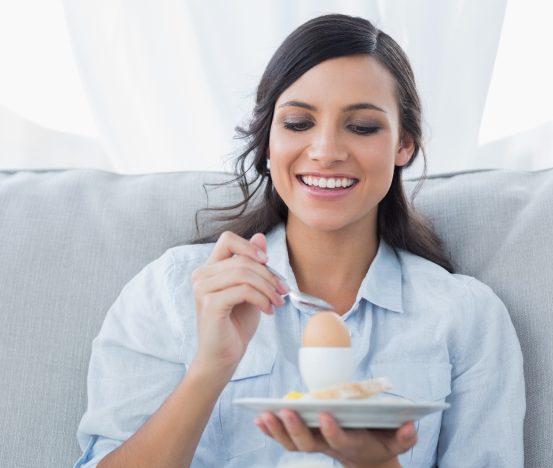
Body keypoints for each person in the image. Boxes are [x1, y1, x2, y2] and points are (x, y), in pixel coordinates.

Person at [74, 13, 525, 468]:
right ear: (268, 142)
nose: (326, 151)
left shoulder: (466, 317)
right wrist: (210, 370)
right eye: (297, 123)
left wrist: (376, 463)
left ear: (404, 145)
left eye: (363, 127)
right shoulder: (173, 291)